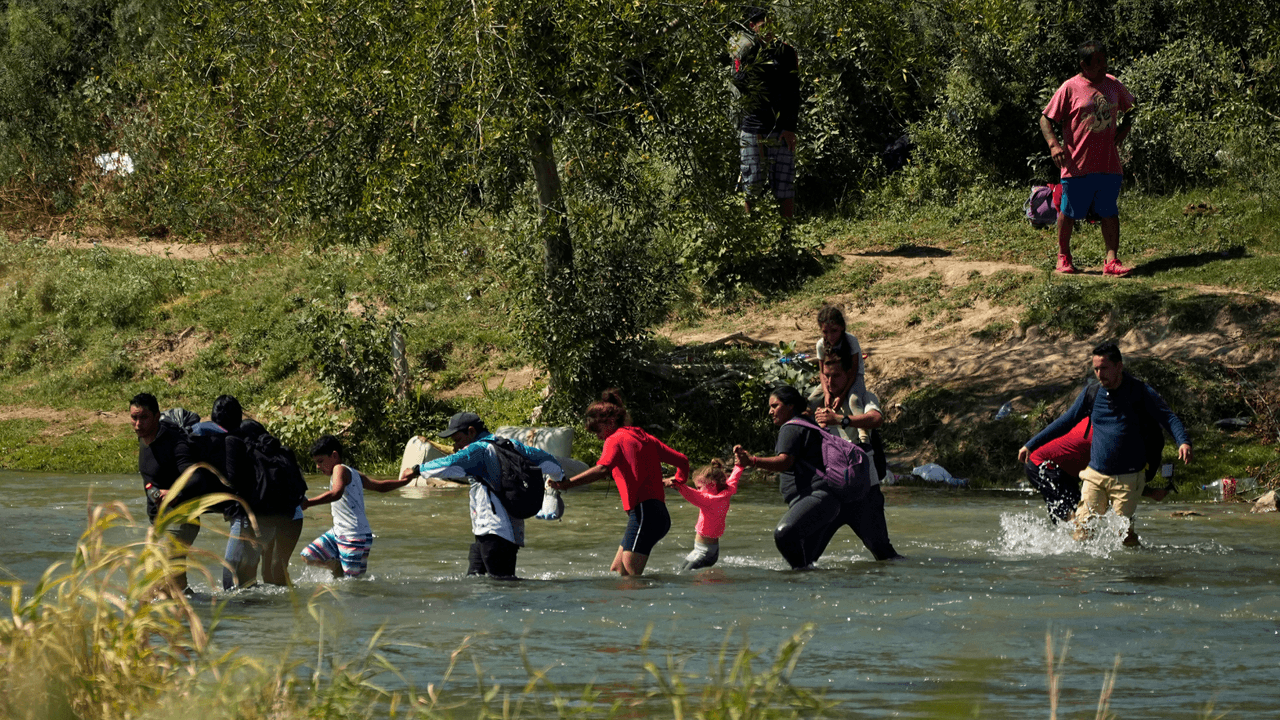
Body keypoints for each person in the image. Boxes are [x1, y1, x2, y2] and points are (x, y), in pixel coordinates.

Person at [1018, 342, 1192, 545]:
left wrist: (1183, 441)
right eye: (1096, 369)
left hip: (1127, 478)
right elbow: (1065, 421)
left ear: (1119, 366)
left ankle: (1142, 566)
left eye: (1104, 368)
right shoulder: (1092, 393)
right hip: (1094, 476)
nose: (1100, 374)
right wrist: (1031, 444)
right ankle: (1082, 573)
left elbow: (1168, 417)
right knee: (1082, 530)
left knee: (1123, 536)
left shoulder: (1140, 391)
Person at [398, 412, 565, 578]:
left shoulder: (478, 450)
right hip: (499, 533)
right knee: (475, 580)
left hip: (494, 532)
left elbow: (449, 464)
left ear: (471, 431)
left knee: (502, 589)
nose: (455, 447)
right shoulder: (512, 445)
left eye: (457, 440)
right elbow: (550, 462)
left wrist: (416, 470)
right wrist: (558, 481)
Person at [549, 389, 688, 576]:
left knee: (632, 576)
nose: (598, 437)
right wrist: (678, 480)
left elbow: (602, 469)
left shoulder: (615, 439)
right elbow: (683, 461)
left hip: (644, 513)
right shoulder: (645, 437)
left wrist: (567, 484)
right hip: (653, 514)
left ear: (611, 422)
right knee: (618, 570)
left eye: (598, 430)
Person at [1039, 40, 1137, 277]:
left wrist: (1124, 130)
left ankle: (1111, 261)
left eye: (1105, 61)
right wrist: (1054, 145)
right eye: (1098, 62)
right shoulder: (1070, 88)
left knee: (1109, 211)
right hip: (1077, 164)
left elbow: (1132, 108)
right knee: (1069, 212)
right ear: (1084, 64)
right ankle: (1063, 257)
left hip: (1108, 162)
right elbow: (1045, 119)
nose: (1104, 66)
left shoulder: (1113, 84)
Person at [806, 351, 902, 561]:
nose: (831, 382)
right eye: (827, 376)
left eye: (836, 376)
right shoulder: (816, 404)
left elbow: (876, 418)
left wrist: (841, 420)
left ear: (849, 376)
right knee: (807, 558)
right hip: (830, 491)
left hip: (865, 491)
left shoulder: (862, 398)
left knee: (884, 554)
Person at [733, 385, 837, 569]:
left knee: (784, 534)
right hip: (825, 502)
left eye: (775, 406)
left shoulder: (791, 428)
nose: (770, 411)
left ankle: (798, 583)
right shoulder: (807, 422)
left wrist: (752, 461)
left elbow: (784, 461)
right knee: (806, 563)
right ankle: (806, 588)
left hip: (816, 498)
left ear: (790, 406)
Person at [301, 435, 413, 578]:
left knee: (352, 585)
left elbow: (336, 493)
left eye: (321, 461)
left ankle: (340, 572)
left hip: (354, 537)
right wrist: (403, 481)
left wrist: (309, 503)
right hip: (339, 532)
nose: (318, 466)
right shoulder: (352, 472)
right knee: (309, 555)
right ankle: (336, 566)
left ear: (334, 455)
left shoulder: (339, 469)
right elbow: (380, 487)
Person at [730, 5, 801, 218]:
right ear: (753, 26)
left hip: (780, 129)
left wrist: (790, 128)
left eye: (773, 24)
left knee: (784, 186)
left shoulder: (787, 52)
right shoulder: (745, 51)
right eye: (764, 25)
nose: (770, 29)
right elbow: (738, 81)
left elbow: (793, 92)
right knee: (752, 185)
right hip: (753, 127)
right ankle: (753, 235)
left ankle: (787, 240)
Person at [130, 392, 200, 593]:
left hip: (182, 518)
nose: (138, 424)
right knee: (173, 584)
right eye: (134, 417)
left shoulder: (175, 442)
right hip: (159, 521)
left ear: (156, 416)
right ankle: (195, 613)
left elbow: (196, 477)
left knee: (159, 581)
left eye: (143, 417)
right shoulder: (144, 439)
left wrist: (172, 492)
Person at [665, 458, 743, 571]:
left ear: (712, 484)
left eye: (699, 487)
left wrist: (678, 486)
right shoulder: (727, 491)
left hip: (705, 553)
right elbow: (734, 478)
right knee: (681, 572)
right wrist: (739, 466)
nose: (698, 490)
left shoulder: (710, 500)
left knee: (684, 575)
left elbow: (691, 494)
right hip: (701, 550)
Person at [814, 304, 866, 400]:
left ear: (842, 327)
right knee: (811, 402)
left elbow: (854, 371)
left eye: (834, 331)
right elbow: (822, 373)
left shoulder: (851, 341)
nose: (830, 336)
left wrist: (842, 396)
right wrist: (826, 393)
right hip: (833, 378)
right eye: (825, 332)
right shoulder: (821, 345)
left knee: (854, 401)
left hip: (854, 378)